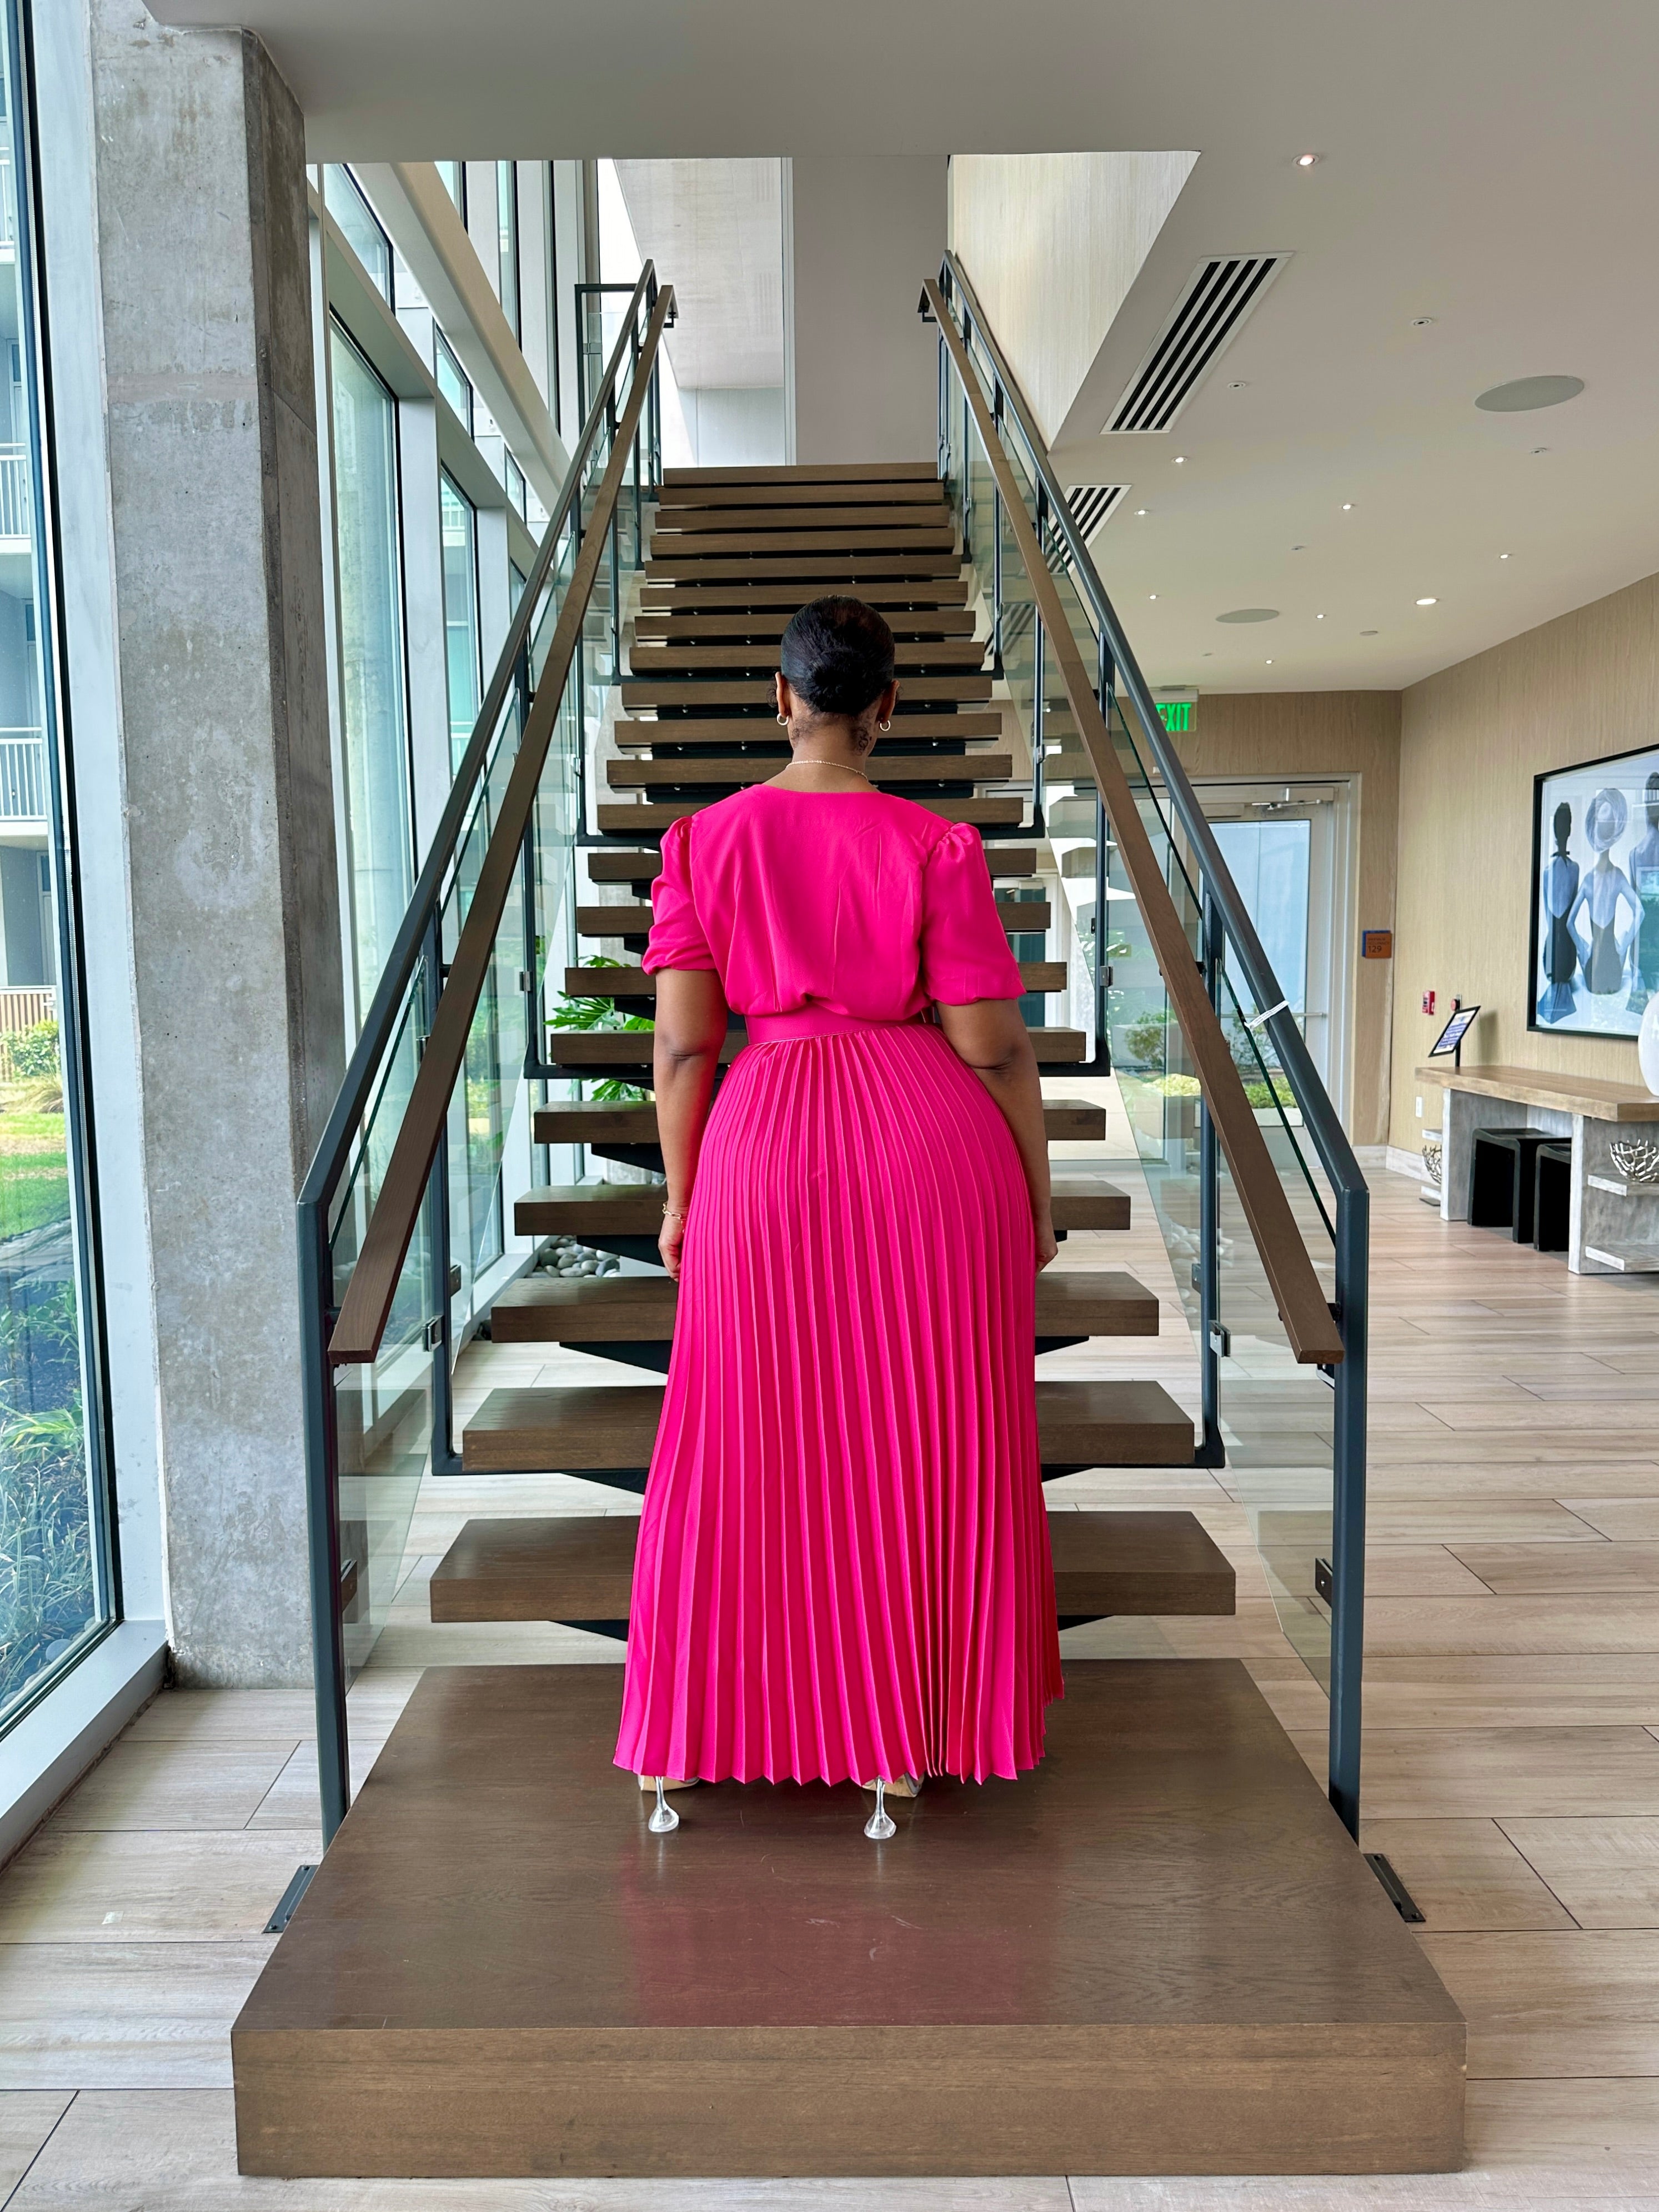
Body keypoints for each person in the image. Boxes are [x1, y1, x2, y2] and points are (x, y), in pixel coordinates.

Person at [613, 596, 1063, 1837]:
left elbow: (684, 1051)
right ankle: (900, 1743)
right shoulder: (937, 848)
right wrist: (1037, 1191)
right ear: (886, 710)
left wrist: (683, 1196)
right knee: (924, 1447)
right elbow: (995, 1046)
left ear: (780, 700)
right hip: (928, 1150)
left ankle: (696, 1736)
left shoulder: (704, 844)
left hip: (762, 1146)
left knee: (739, 1444)